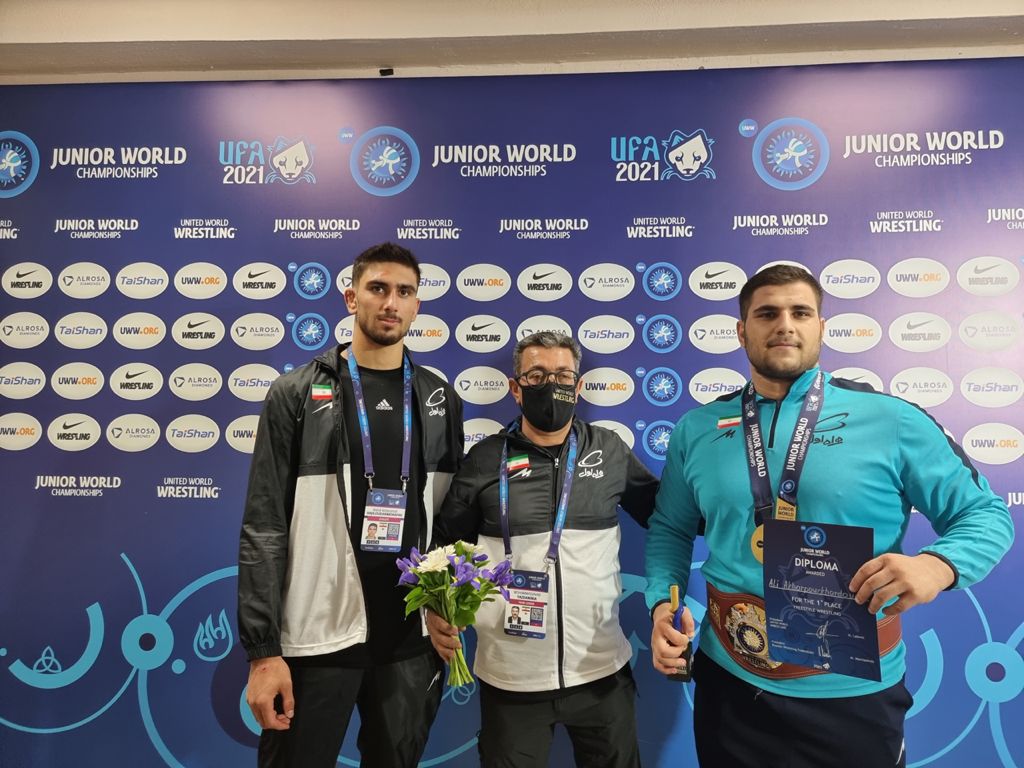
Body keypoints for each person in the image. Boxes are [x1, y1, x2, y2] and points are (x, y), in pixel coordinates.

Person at [645, 264, 1014, 767]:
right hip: (730, 681)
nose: (785, 325)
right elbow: (670, 529)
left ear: (821, 327)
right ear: (741, 331)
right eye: (767, 314)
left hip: (851, 691)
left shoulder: (893, 419)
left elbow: (985, 514)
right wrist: (661, 605)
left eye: (800, 312)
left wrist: (938, 566)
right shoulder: (697, 428)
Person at [238, 242, 464, 768]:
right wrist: (263, 651)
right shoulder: (296, 393)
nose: (390, 302)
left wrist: (445, 604)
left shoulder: (438, 398)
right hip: (317, 636)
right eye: (377, 288)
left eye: (404, 292)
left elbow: (451, 518)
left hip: (408, 641)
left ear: (417, 305)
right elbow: (264, 526)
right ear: (351, 297)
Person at [428, 331, 660, 768]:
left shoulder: (609, 450)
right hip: (511, 677)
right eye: (536, 376)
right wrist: (436, 608)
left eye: (562, 375)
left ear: (579, 386)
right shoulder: (484, 459)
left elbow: (666, 518)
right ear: (515, 389)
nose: (551, 386)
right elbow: (444, 547)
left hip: (601, 673)